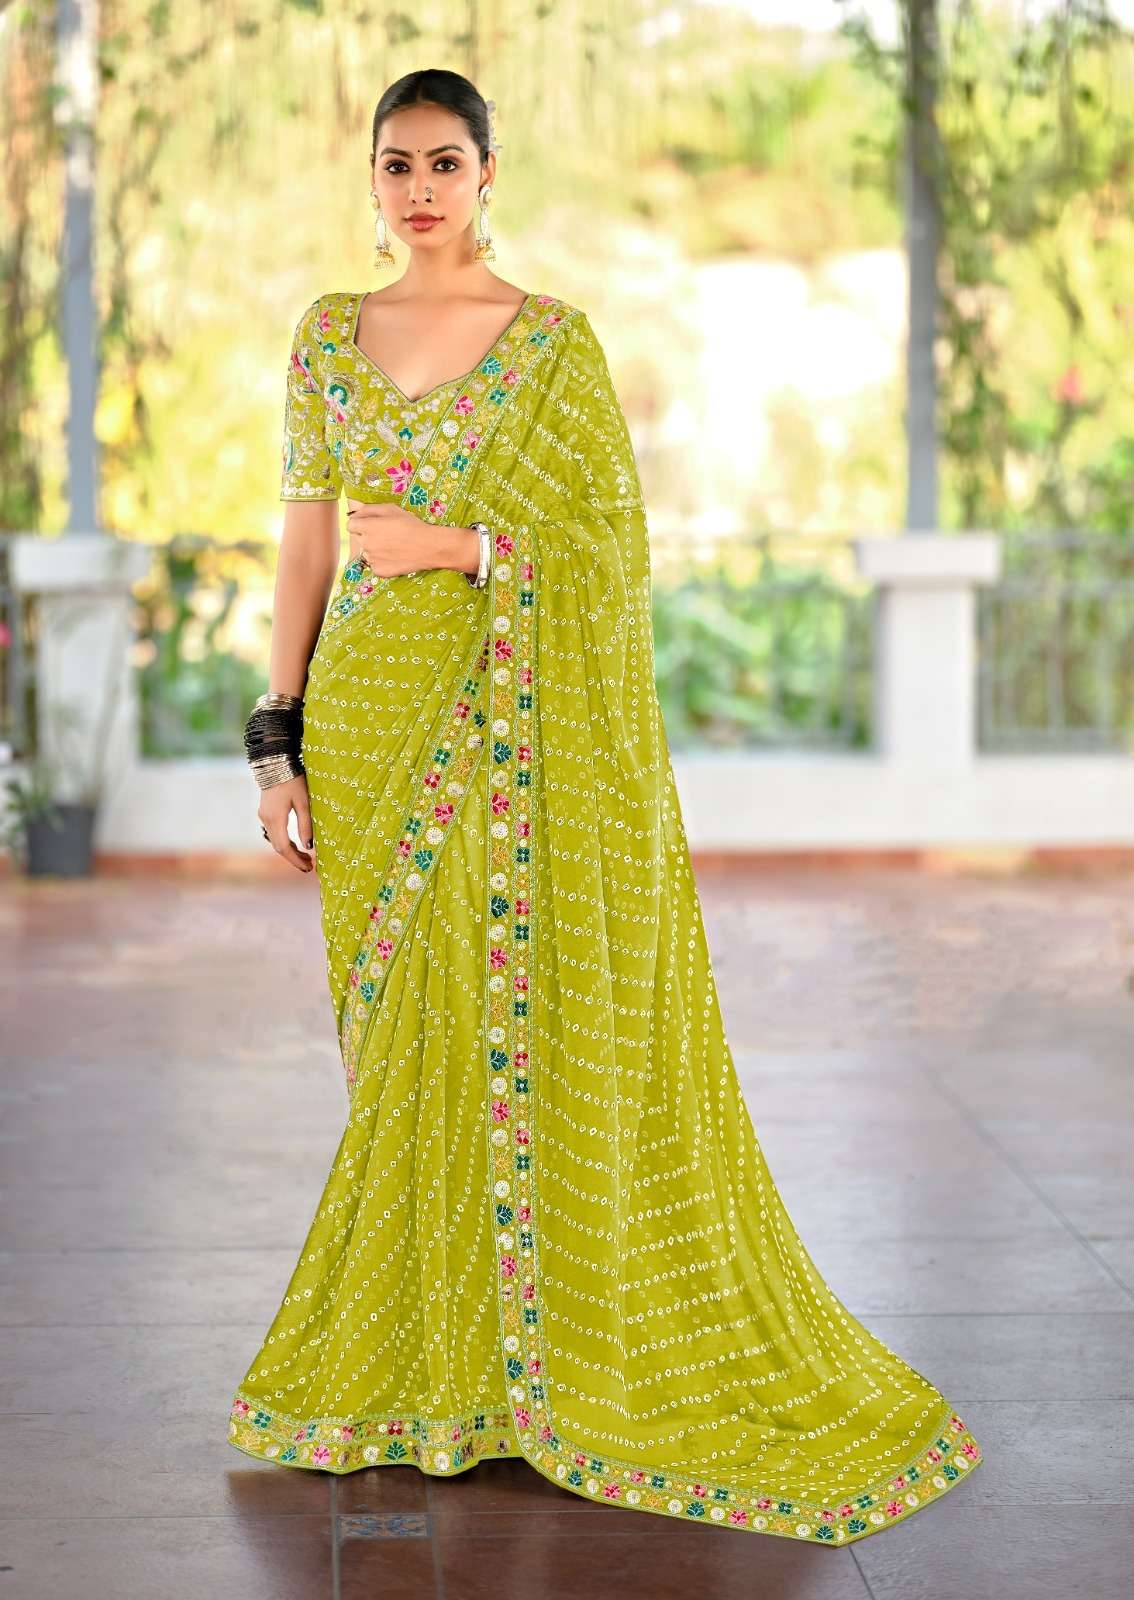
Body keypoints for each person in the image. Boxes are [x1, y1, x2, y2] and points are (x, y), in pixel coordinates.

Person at [227, 67, 984, 1545]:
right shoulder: (325, 335)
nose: (421, 189)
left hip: (507, 736)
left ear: (488, 173)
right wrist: (277, 741)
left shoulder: (553, 347)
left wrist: (462, 547)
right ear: (370, 179)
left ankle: (522, 1374)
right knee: (404, 1049)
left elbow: (609, 553)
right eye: (397, 164)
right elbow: (305, 543)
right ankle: (434, 1370)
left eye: (446, 162)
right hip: (371, 732)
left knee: (498, 1025)